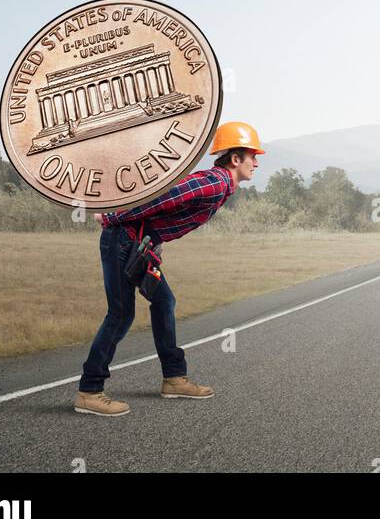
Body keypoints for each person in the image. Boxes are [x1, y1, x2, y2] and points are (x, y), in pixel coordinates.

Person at [73, 121, 264, 416]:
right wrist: (114, 216)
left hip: (138, 244)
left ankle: (174, 379)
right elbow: (166, 197)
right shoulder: (215, 182)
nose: (257, 162)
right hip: (122, 238)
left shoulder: (222, 186)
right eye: (253, 155)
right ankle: (90, 390)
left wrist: (154, 246)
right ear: (235, 159)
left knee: (164, 301)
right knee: (121, 314)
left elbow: (168, 211)